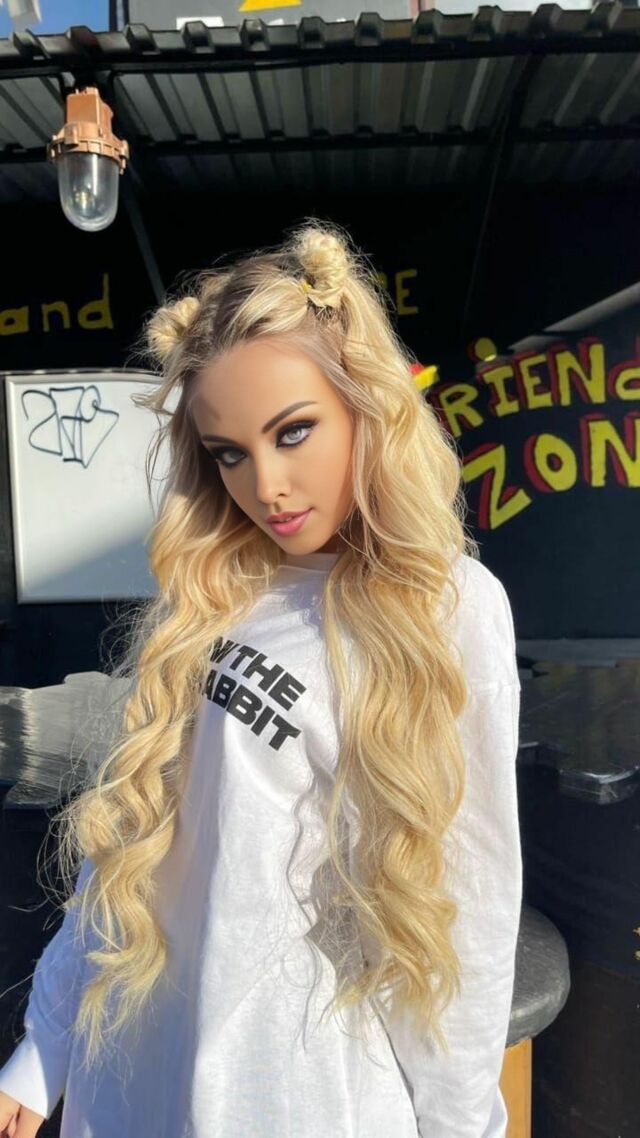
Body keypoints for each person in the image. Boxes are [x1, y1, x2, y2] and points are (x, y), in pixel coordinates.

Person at [0, 219, 522, 1138]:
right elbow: (129, 842)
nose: (266, 486)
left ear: (366, 403)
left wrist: (460, 1124)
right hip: (137, 1069)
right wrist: (45, 1044)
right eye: (230, 452)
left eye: (294, 432)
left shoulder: (447, 606)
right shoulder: (219, 587)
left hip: (294, 1091)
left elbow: (469, 900)